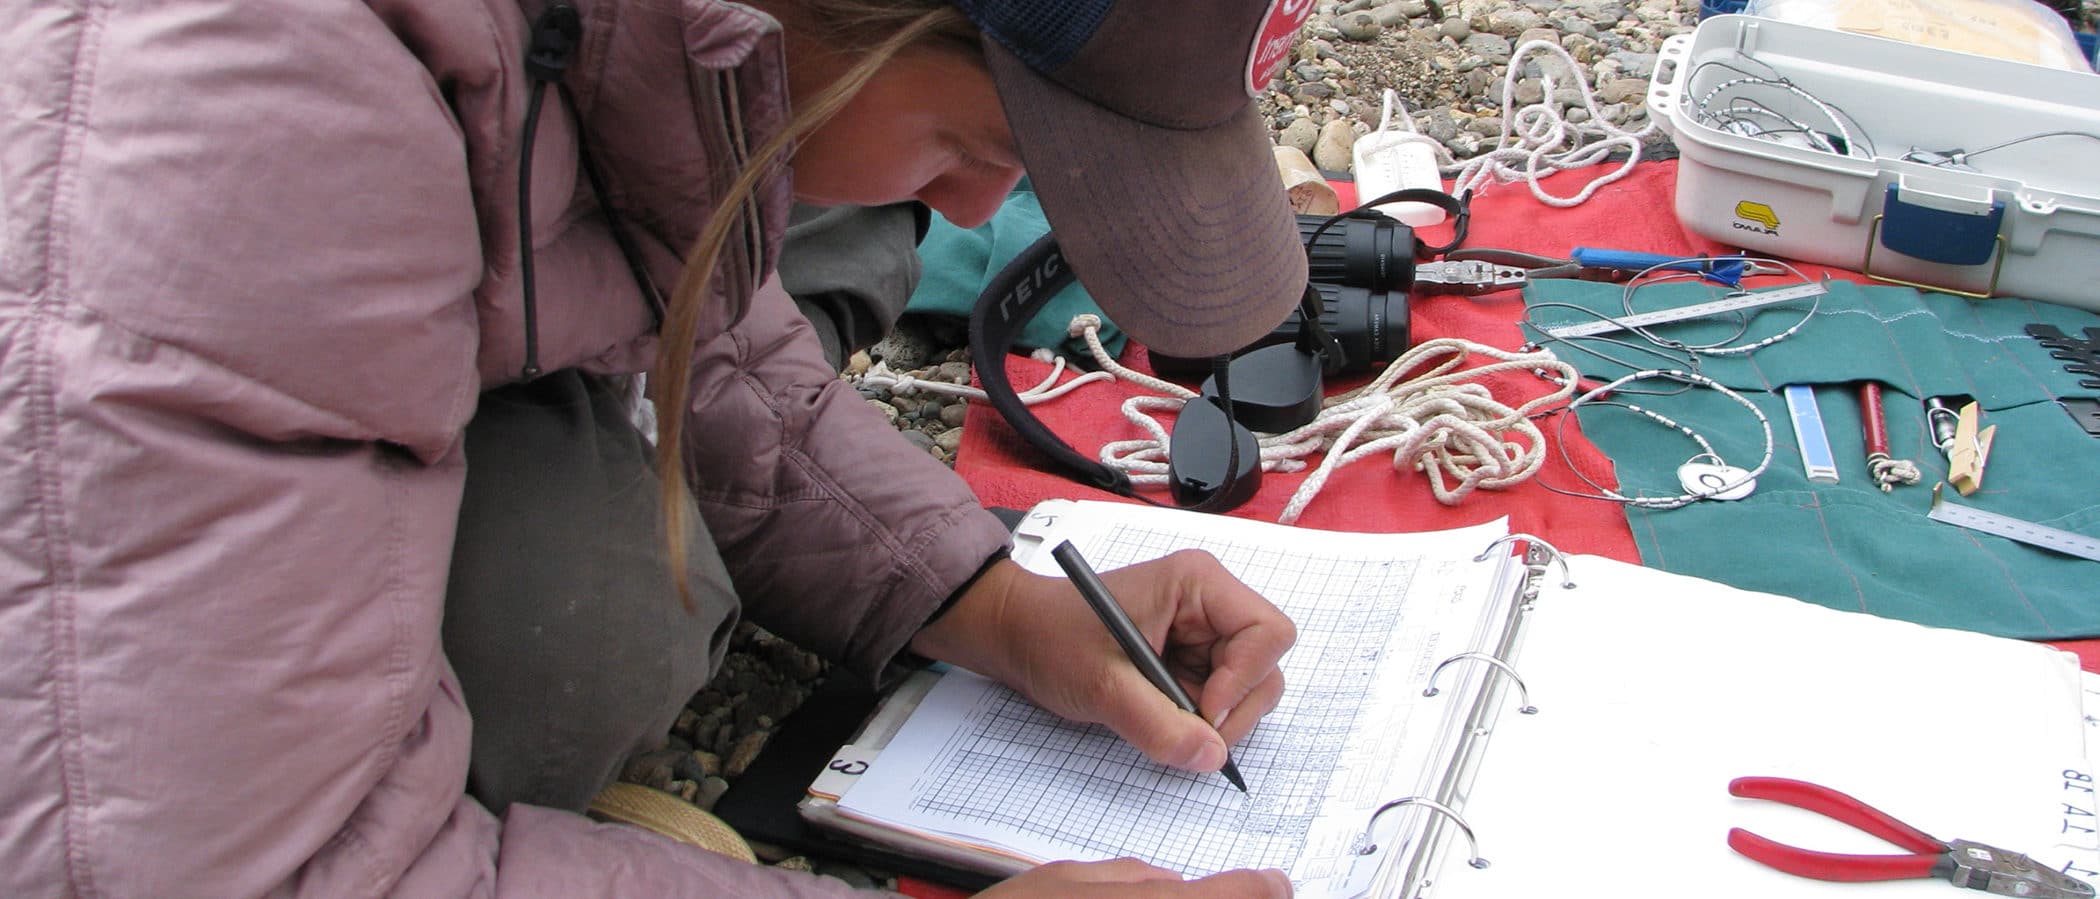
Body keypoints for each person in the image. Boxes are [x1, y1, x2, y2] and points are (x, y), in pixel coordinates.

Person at [0, 0, 1317, 895]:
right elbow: (223, 866)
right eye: (981, 145)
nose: (982, 206)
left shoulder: (668, 46)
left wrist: (985, 603)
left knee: (840, 221)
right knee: (587, 623)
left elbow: (694, 297)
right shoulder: (250, 118)